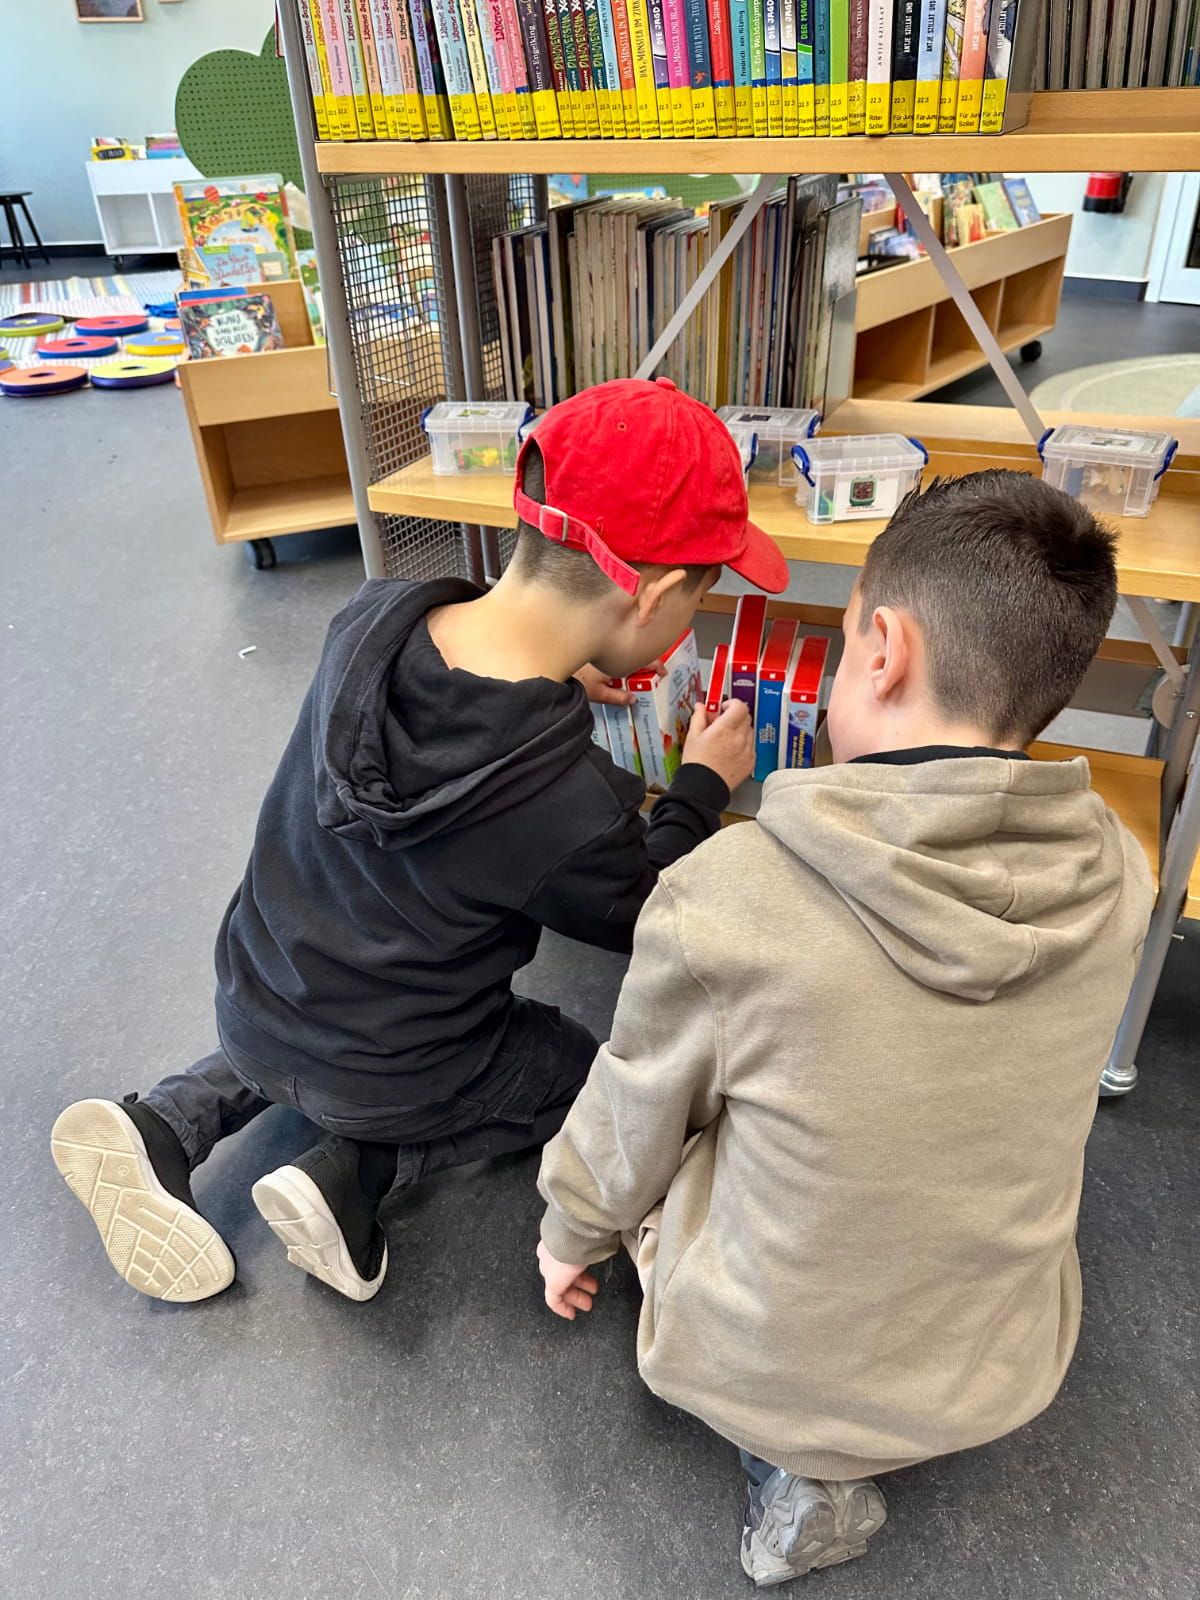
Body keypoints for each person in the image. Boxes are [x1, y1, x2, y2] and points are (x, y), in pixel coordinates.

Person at [535, 471, 1154, 1588]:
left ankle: (797, 1466)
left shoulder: (729, 894)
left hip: (767, 1365)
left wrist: (567, 1233)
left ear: (883, 650)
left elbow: (629, 1114)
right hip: (1002, 1365)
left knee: (678, 1126)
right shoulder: (1122, 870)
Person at [50, 377, 786, 1305]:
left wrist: (558, 677)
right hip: (396, 1068)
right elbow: (656, 907)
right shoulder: (563, 802)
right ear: (660, 597)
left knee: (321, 1006)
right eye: (702, 597)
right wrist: (700, 785)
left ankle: (166, 1120)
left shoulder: (372, 620)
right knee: (563, 1067)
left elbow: (484, 656)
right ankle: (357, 1174)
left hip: (255, 987)